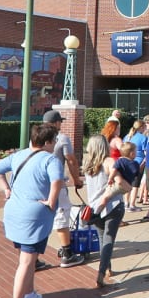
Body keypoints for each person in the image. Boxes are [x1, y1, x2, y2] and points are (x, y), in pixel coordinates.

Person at [0, 122, 65, 298]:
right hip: (33, 216)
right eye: (55, 140)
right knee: (26, 261)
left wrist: (6, 190)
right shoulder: (50, 159)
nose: (55, 143)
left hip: (13, 213)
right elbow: (57, 181)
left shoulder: (19, 155)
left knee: (27, 258)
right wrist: (51, 201)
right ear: (48, 141)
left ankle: (29, 294)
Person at [91, 141, 138, 289]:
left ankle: (108, 268)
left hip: (94, 207)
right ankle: (101, 272)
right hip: (113, 205)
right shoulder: (109, 161)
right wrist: (129, 188)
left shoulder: (88, 164)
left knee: (101, 238)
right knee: (109, 239)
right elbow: (119, 182)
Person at [41, 109, 84, 267]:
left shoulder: (35, 138)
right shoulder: (62, 138)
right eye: (60, 121)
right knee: (62, 214)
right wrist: (77, 180)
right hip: (57, 184)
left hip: (40, 185)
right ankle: (67, 253)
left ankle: (35, 256)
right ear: (55, 123)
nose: (61, 124)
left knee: (41, 219)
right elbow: (71, 160)